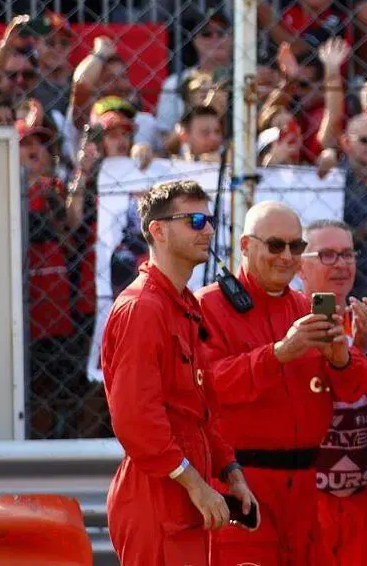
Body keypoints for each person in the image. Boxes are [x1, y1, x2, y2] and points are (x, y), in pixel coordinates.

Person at [197, 201, 367, 566]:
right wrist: (277, 353)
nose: (287, 256)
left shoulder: (306, 306)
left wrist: (341, 356)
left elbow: (354, 387)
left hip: (306, 491)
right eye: (275, 245)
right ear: (245, 246)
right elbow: (209, 386)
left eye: (296, 246)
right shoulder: (208, 307)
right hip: (240, 486)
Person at [100, 179, 257, 566]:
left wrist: (230, 471)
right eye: (196, 220)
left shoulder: (182, 304)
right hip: (157, 496)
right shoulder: (143, 308)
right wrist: (196, 485)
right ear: (158, 230)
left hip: (179, 495)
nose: (208, 230)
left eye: (210, 219)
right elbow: (136, 419)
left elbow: (202, 408)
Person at [301, 218, 367, 566]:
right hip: (303, 498)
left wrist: (364, 347)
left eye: (347, 254)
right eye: (327, 255)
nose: (341, 264)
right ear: (301, 264)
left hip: (363, 500)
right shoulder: (283, 317)